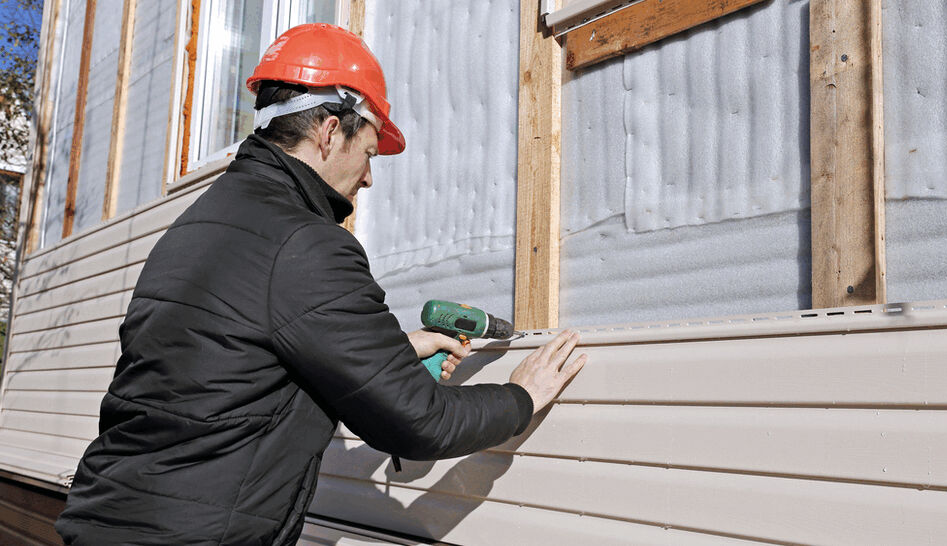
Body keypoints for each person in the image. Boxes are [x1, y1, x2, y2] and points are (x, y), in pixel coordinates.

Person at [55, 24, 586, 545]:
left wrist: (393, 353)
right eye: (370, 153)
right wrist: (521, 395)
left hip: (107, 518)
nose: (369, 177)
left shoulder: (199, 226)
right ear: (330, 131)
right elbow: (420, 423)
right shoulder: (305, 242)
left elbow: (229, 364)